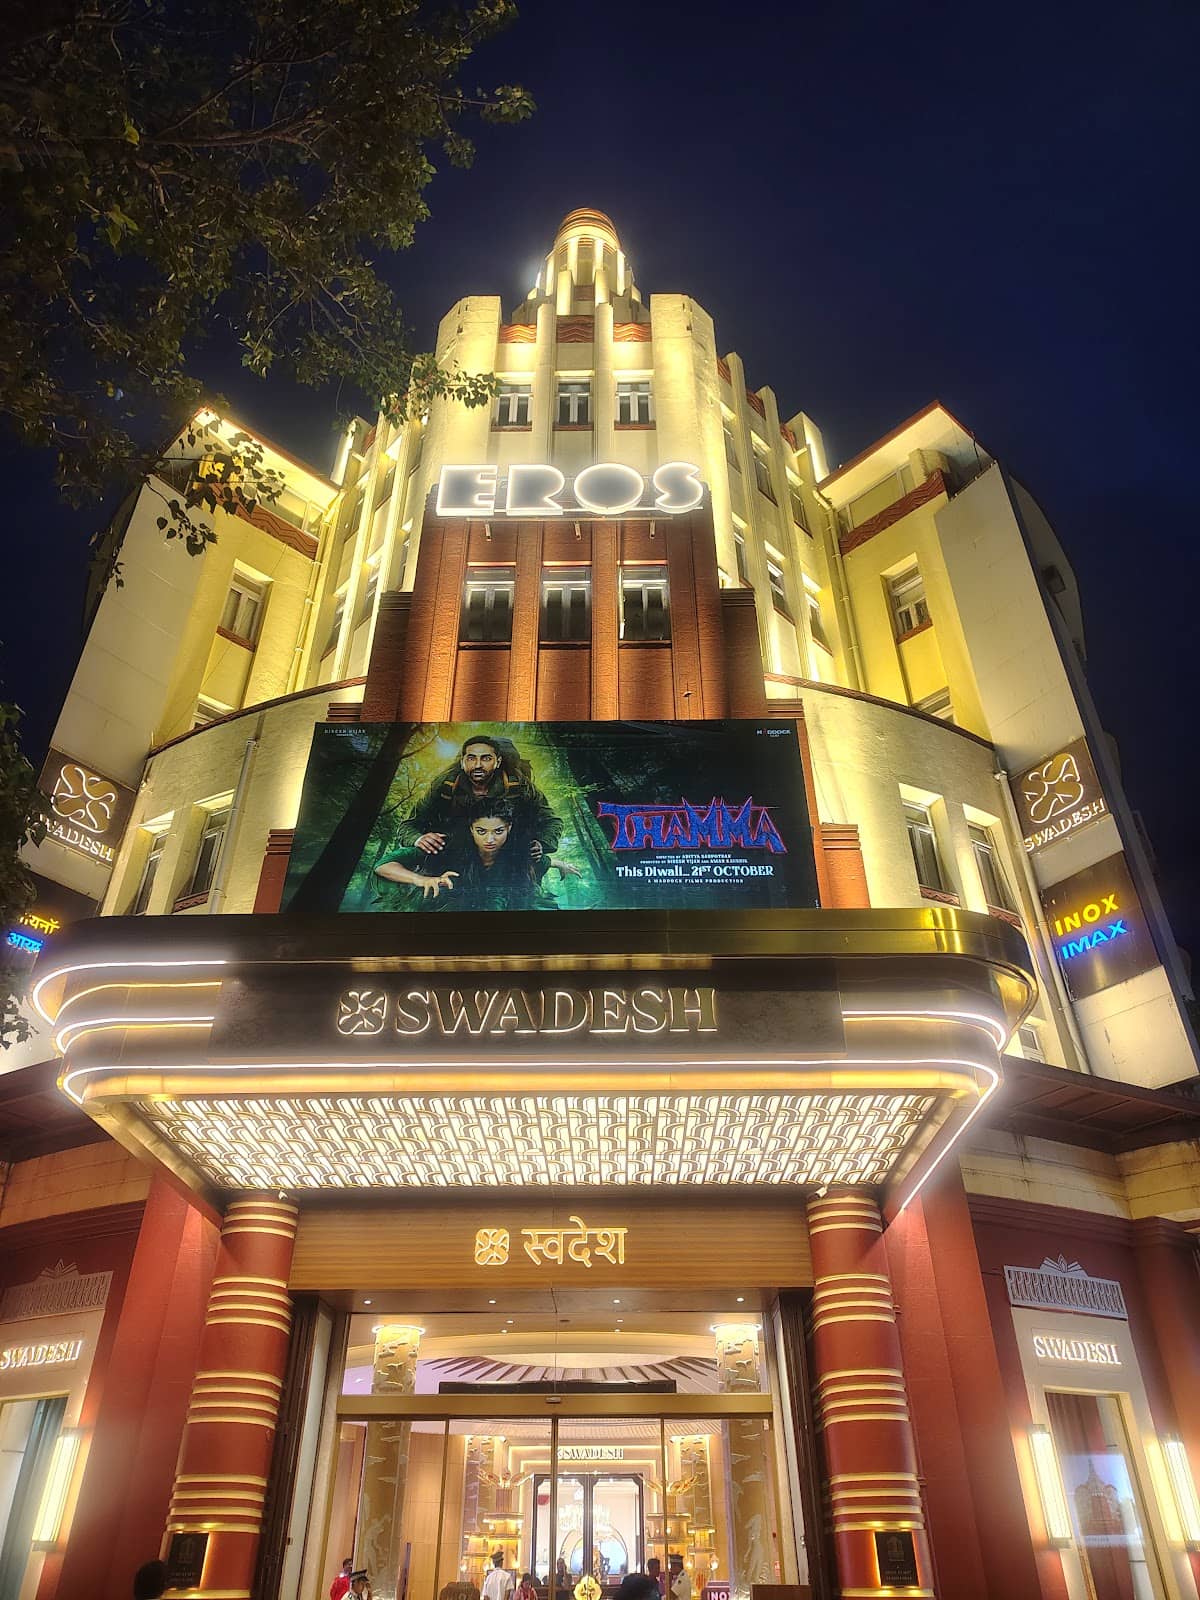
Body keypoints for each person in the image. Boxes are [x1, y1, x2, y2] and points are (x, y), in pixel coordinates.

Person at [375, 797, 582, 912]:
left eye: (498, 831)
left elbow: (542, 861)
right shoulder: (447, 846)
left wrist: (561, 864)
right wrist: (421, 880)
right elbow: (383, 865)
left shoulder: (518, 852)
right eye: (482, 831)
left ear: (508, 828)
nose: (490, 840)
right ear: (471, 829)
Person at [392, 735, 563, 869]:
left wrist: (542, 843)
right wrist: (418, 838)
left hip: (507, 855)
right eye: (471, 758)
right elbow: (408, 825)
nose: (478, 765)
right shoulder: (445, 785)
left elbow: (551, 821)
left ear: (498, 762)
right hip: (454, 854)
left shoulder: (519, 785)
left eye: (486, 759)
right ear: (462, 761)